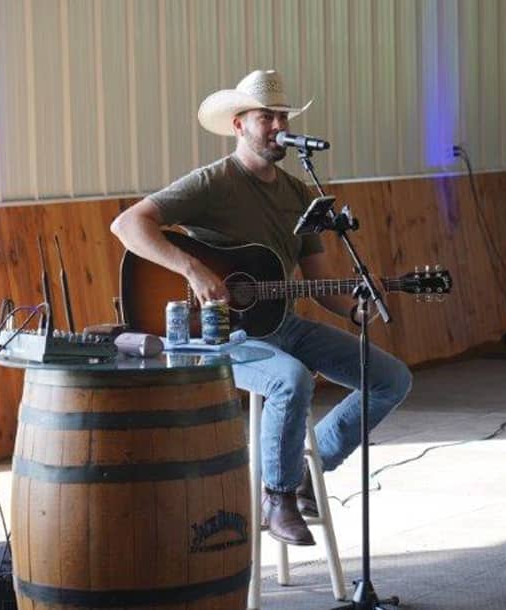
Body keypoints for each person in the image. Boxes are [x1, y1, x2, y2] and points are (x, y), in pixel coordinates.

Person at [110, 69, 412, 546]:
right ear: (239, 125)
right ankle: (278, 496)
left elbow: (318, 285)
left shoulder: (299, 195)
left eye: (282, 116)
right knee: (288, 379)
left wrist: (358, 304)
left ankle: (311, 469)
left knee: (391, 378)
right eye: (266, 116)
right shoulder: (213, 183)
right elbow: (128, 225)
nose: (277, 125)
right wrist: (192, 269)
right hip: (219, 335)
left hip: (282, 323)